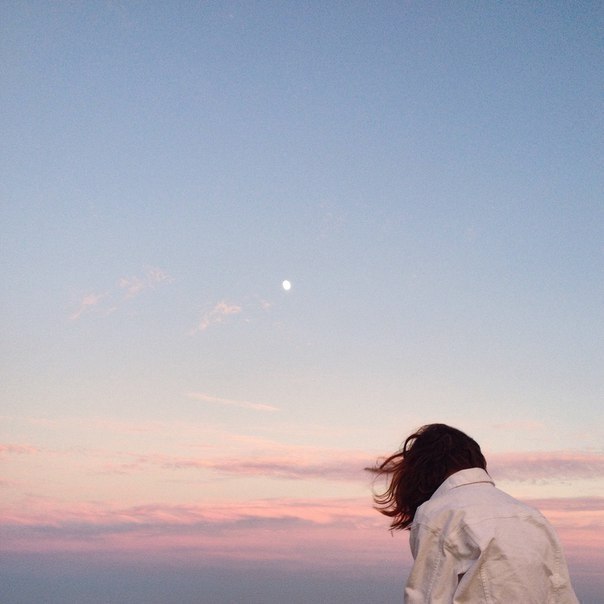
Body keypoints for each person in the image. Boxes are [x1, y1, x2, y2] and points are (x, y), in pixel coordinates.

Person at [368, 423, 579, 603]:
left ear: (424, 470)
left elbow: (427, 597)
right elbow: (562, 595)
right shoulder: (532, 517)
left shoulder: (439, 513)